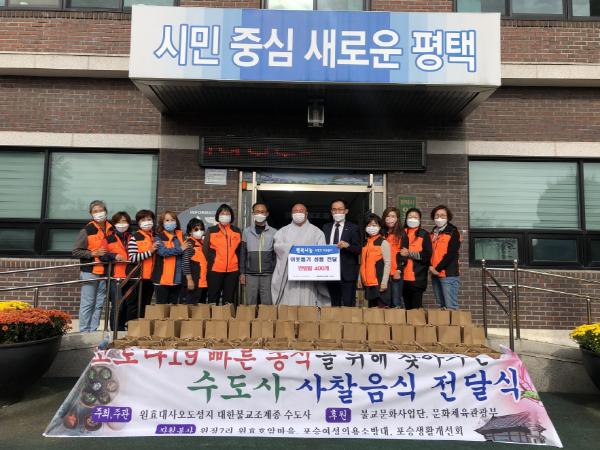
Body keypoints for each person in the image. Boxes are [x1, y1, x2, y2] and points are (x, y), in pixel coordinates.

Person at [271, 203, 330, 306]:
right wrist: (291, 248)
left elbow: (322, 252)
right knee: (289, 304)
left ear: (306, 214)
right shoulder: (283, 231)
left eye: (301, 211)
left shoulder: (317, 232)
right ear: (291, 214)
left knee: (308, 301)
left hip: (309, 276)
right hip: (289, 275)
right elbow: (277, 247)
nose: (298, 213)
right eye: (295, 211)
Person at [72, 200, 113, 333]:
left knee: (99, 304)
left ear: (105, 211)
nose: (99, 213)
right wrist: (92, 253)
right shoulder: (86, 230)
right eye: (95, 211)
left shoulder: (111, 229)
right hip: (90, 271)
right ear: (91, 214)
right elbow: (76, 251)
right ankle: (84, 331)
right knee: (88, 303)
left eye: (101, 210)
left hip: (106, 272)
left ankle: (93, 330)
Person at [323, 199, 361, 307]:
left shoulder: (353, 228)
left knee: (348, 304)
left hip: (347, 273)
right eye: (334, 210)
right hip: (330, 272)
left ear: (346, 211)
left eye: (340, 209)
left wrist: (348, 246)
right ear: (331, 212)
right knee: (333, 304)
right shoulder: (326, 227)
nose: (337, 212)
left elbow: (359, 249)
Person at [203, 204, 242, 304]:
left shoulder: (237, 231)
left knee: (229, 299)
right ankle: (212, 314)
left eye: (227, 213)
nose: (225, 215)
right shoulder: (211, 230)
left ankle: (227, 314)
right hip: (215, 270)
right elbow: (205, 251)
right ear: (218, 215)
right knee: (213, 297)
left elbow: (239, 251)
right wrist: (210, 265)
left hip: (232, 270)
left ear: (231, 216)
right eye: (222, 213)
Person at [239, 202, 277, 305]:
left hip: (268, 274)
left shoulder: (274, 232)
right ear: (253, 213)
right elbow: (243, 253)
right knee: (250, 303)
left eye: (262, 212)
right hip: (250, 274)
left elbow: (276, 255)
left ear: (267, 214)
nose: (260, 214)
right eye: (257, 211)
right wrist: (242, 273)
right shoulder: (246, 232)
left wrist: (275, 272)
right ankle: (251, 316)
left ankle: (266, 317)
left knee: (267, 302)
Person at [102, 211, 134, 330]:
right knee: (117, 305)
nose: (122, 224)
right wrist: (114, 256)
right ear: (114, 223)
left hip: (131, 276)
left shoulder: (132, 237)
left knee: (127, 305)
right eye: (119, 221)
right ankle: (114, 330)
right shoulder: (108, 238)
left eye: (124, 221)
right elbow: (102, 255)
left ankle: (122, 329)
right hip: (116, 277)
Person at [429, 205, 462, 310]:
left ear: (448, 217)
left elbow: (451, 254)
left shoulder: (453, 232)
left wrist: (437, 269)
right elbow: (429, 252)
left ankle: (454, 321)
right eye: (437, 215)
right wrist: (430, 267)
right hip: (434, 273)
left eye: (443, 215)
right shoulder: (433, 233)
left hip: (448, 274)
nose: (439, 218)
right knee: (442, 306)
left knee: (451, 306)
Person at [128, 209, 158, 318]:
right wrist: (150, 252)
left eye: (149, 219)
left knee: (146, 304)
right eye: (143, 220)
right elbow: (132, 258)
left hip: (152, 277)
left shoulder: (156, 236)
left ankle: (141, 326)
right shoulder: (135, 237)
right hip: (139, 277)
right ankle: (131, 325)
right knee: (135, 304)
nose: (147, 222)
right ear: (138, 222)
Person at [400, 208, 432, 310]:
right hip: (402, 278)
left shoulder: (424, 234)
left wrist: (409, 254)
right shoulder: (401, 233)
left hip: (417, 278)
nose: (412, 219)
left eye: (415, 217)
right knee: (406, 308)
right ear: (406, 219)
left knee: (416, 309)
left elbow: (427, 256)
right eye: (410, 217)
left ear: (420, 219)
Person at [151, 211, 185, 304]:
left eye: (172, 220)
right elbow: (162, 252)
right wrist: (180, 249)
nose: (170, 222)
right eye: (167, 220)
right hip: (162, 278)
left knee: (174, 308)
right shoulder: (158, 237)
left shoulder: (181, 236)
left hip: (177, 279)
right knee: (162, 308)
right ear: (162, 223)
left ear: (176, 222)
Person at [358, 214, 391, 308]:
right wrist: (360, 279)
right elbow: (362, 263)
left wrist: (384, 282)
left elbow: (388, 263)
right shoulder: (365, 243)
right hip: (368, 283)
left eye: (374, 225)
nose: (371, 227)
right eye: (369, 225)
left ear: (379, 227)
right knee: (371, 311)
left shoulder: (383, 242)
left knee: (381, 310)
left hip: (379, 282)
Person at [382, 206, 409, 308]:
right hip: (383, 272)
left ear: (397, 218)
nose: (390, 219)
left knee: (396, 301)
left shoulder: (402, 234)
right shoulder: (381, 233)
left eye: (393, 216)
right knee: (385, 302)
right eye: (388, 216)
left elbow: (404, 255)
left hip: (395, 272)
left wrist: (399, 270)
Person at [182, 218, 208, 305]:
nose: (199, 231)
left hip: (201, 282)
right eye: (196, 229)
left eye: (201, 229)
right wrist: (189, 280)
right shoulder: (190, 244)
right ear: (190, 232)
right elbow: (185, 263)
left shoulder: (202, 244)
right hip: (193, 282)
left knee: (199, 308)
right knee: (190, 307)